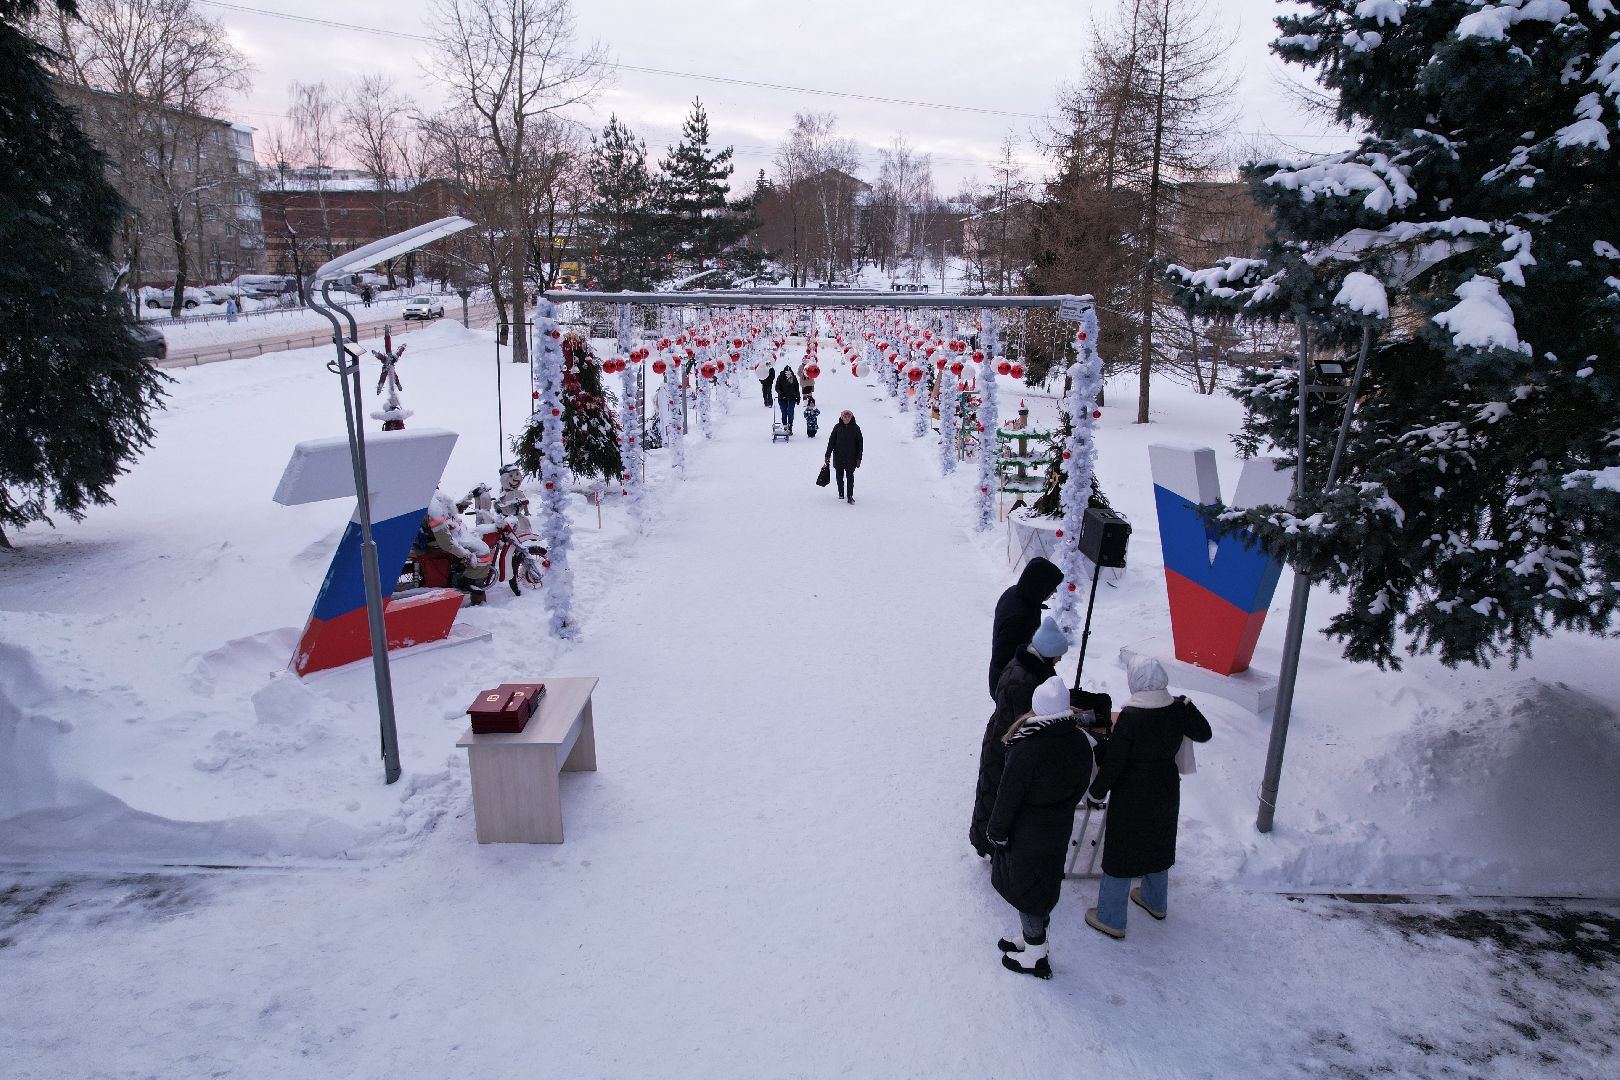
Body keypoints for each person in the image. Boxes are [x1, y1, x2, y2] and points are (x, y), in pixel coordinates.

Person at [1084, 656, 1212, 940]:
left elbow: (1114, 763)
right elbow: (1204, 733)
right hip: (1166, 786)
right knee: (1159, 840)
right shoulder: (1177, 709)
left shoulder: (1131, 717)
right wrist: (1188, 706)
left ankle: (1111, 917)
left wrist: (1096, 792)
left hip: (1132, 791)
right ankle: (1155, 901)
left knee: (1121, 850)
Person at [989, 674, 1094, 980]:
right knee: (1042, 884)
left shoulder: (1028, 748)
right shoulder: (1080, 741)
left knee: (1028, 891)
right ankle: (1031, 937)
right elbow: (1082, 785)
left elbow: (1007, 797)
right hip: (1057, 827)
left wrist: (997, 831)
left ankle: (1036, 955)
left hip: (1027, 832)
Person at [970, 616, 1068, 857]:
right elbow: (1028, 721)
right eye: (1058, 654)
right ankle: (991, 846)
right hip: (1005, 744)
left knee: (992, 793)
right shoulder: (1026, 680)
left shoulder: (1025, 666)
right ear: (1048, 653)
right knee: (999, 796)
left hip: (1000, 737)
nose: (1060, 659)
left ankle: (986, 842)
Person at [988, 556, 1064, 701]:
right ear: (1041, 585)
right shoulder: (1020, 617)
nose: (1054, 591)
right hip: (1010, 687)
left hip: (1011, 681)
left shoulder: (1016, 594)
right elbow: (1008, 658)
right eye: (1052, 586)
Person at [823, 409, 862, 504]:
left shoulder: (856, 428)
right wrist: (827, 455)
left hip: (851, 458)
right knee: (839, 476)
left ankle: (850, 496)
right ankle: (841, 493)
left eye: (849, 416)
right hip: (839, 457)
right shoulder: (837, 427)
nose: (847, 418)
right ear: (842, 417)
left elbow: (860, 444)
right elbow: (831, 442)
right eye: (845, 416)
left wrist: (859, 458)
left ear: (852, 417)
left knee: (850, 476)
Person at [776, 366, 801, 433]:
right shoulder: (780, 377)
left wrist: (798, 397)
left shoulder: (793, 378)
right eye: (786, 373)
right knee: (784, 412)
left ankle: (790, 427)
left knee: (790, 412)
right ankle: (785, 427)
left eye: (789, 373)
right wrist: (780, 393)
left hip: (792, 398)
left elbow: (796, 388)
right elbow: (777, 387)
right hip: (782, 398)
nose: (788, 374)